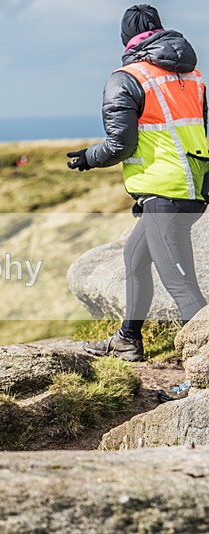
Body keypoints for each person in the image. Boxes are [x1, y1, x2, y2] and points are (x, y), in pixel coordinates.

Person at [67, 5, 208, 369]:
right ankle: (127, 340)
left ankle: (203, 376)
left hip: (164, 192)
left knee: (182, 287)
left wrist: (88, 157)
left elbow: (120, 144)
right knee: (134, 257)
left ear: (126, 39)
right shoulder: (193, 76)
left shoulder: (126, 78)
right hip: (193, 187)